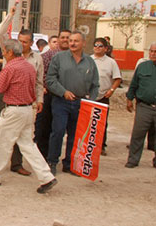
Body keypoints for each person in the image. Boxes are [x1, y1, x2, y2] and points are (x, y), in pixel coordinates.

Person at [0, 39, 57, 194]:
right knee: (28, 145)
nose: (3, 54)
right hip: (26, 110)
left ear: (10, 52)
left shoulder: (10, 67)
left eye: (4, 51)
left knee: (1, 143)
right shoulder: (29, 66)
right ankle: (46, 176)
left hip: (14, 110)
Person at [0, 7, 44, 177]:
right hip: (6, 98)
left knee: (22, 138)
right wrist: (10, 15)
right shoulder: (9, 50)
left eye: (25, 42)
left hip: (25, 102)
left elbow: (39, 82)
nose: (22, 44)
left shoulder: (36, 59)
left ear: (31, 43)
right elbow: (1, 31)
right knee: (1, 134)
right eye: (20, 40)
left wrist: (40, 100)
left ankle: (15, 164)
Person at [46, 30, 99, 175]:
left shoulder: (90, 62)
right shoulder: (59, 58)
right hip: (61, 101)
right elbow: (50, 80)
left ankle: (69, 163)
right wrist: (63, 92)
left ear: (83, 43)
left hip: (81, 103)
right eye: (70, 40)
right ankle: (52, 161)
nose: (72, 43)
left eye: (76, 41)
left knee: (75, 135)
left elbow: (95, 85)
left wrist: (91, 102)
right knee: (58, 132)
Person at [34, 29, 70, 159]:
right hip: (50, 95)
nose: (65, 40)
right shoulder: (49, 55)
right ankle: (43, 157)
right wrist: (43, 86)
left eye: (68, 38)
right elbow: (40, 72)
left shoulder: (76, 57)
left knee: (62, 130)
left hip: (69, 98)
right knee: (46, 128)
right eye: (63, 37)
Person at [124, 42, 156, 169]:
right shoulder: (143, 66)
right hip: (144, 106)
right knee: (138, 133)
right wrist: (129, 98)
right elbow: (134, 84)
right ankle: (133, 160)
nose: (153, 54)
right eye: (152, 51)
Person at [91, 37, 122, 156]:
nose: (97, 48)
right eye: (96, 45)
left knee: (102, 122)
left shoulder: (111, 62)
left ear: (106, 48)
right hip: (89, 96)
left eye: (100, 46)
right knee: (88, 121)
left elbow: (117, 78)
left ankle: (101, 146)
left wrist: (112, 90)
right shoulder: (88, 60)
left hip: (103, 96)